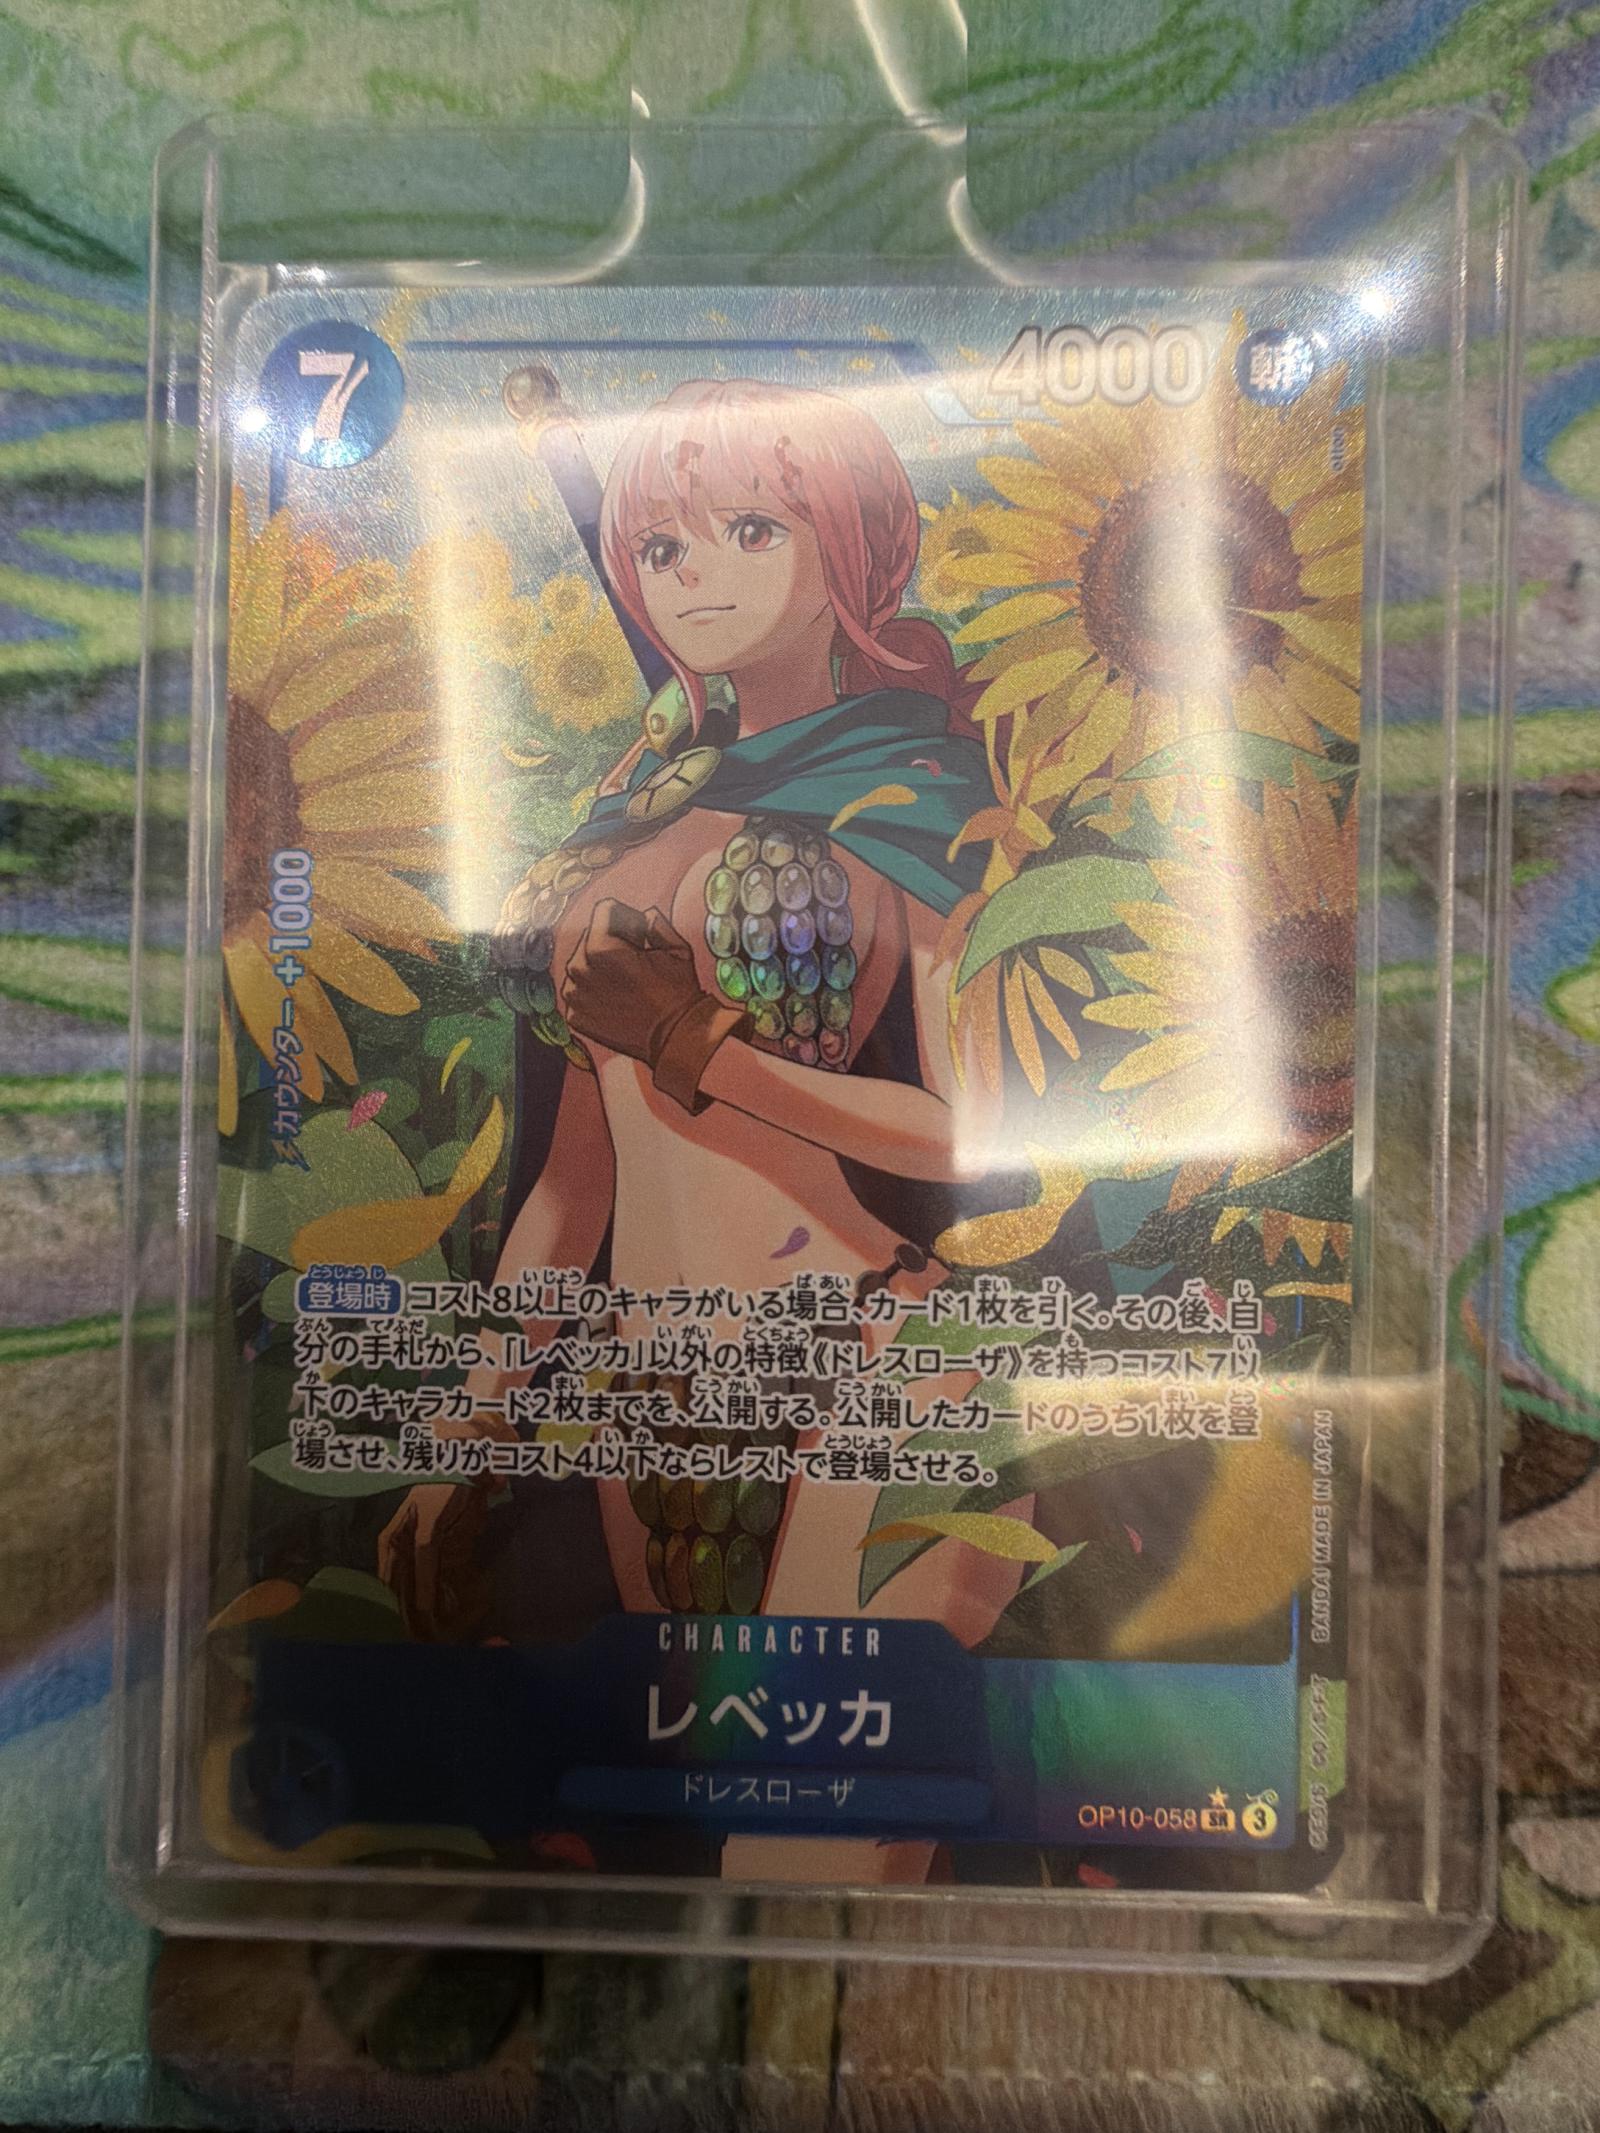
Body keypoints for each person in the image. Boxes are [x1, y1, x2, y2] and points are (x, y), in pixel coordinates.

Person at [378, 378, 1036, 1881]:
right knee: (710, 1857)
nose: (700, 577)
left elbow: (969, 1133)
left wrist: (697, 1043)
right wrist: (465, 1430)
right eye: (663, 547)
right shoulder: (632, 817)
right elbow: (575, 1184)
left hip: (870, 1364)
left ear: (849, 545)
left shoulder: (919, 789)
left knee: (802, 1861)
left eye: (752, 528)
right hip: (654, 1412)